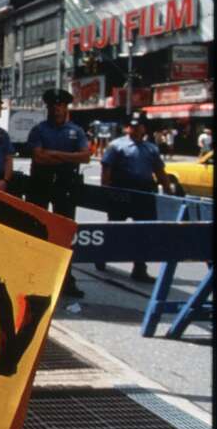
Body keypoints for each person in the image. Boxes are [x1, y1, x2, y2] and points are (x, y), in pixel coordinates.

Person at [26, 89, 90, 298]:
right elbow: (38, 158)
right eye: (53, 105)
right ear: (47, 107)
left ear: (66, 107)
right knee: (37, 231)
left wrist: (53, 153)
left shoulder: (76, 131)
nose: (56, 108)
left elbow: (85, 157)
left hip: (65, 185)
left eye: (60, 105)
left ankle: (66, 280)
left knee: (64, 234)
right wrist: (68, 157)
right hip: (41, 183)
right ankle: (33, 277)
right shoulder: (38, 130)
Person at [100, 111, 169, 283]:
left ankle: (140, 268)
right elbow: (106, 170)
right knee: (115, 229)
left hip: (144, 193)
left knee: (143, 232)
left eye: (139, 126)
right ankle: (101, 256)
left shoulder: (151, 148)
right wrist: (105, 191)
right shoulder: (116, 146)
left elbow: (160, 171)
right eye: (132, 126)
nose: (136, 129)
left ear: (144, 128)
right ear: (127, 128)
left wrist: (167, 189)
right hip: (121, 192)